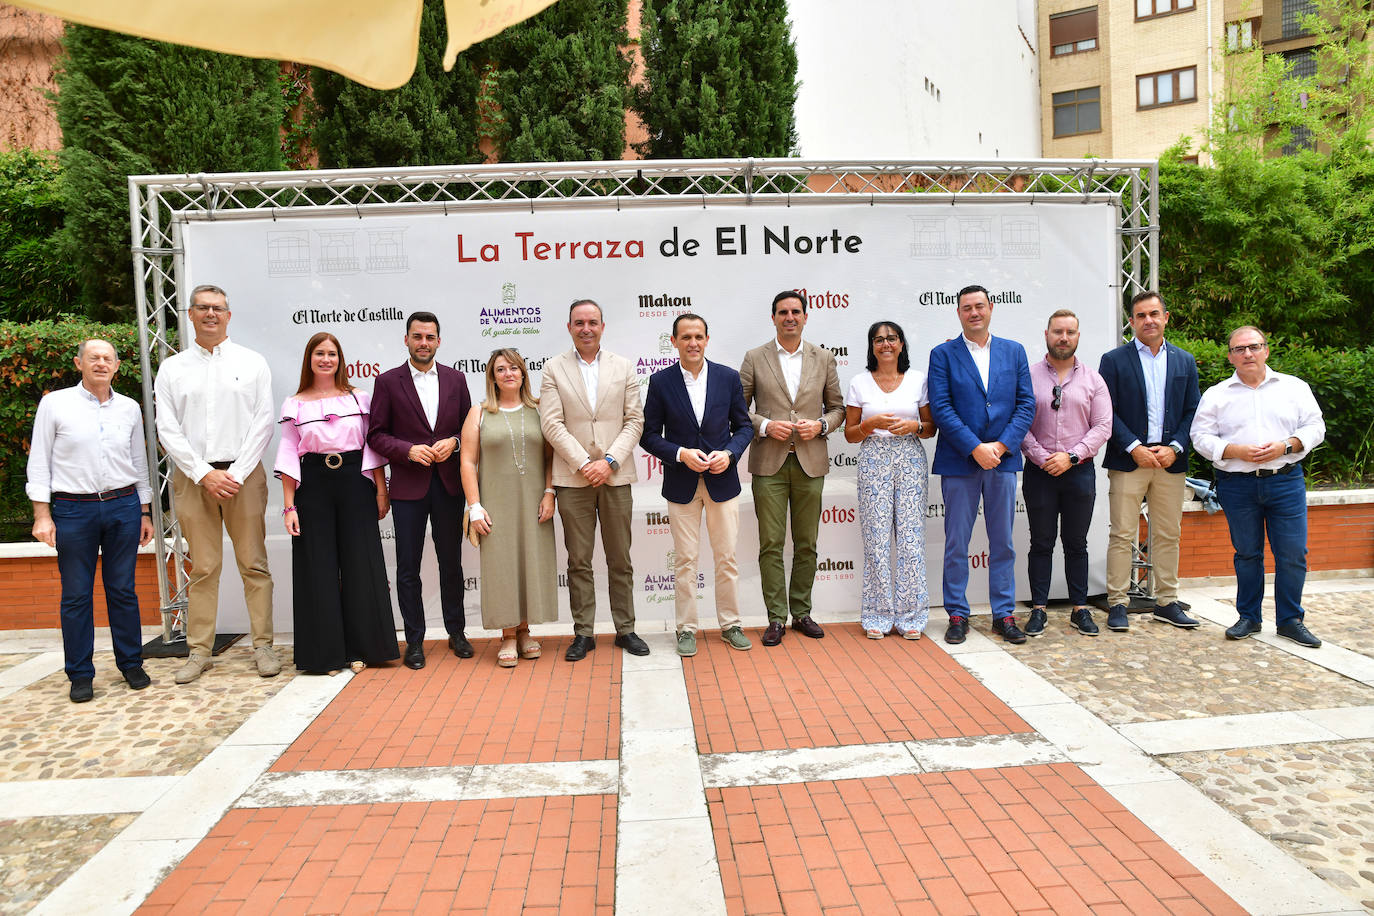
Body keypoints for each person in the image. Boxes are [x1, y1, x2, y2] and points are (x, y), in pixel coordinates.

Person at [155, 284, 279, 684]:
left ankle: (263, 646)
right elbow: (166, 428)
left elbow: (264, 420)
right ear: (189, 315)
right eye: (203, 308)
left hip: (243, 475)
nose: (211, 314)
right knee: (204, 568)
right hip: (194, 479)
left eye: (218, 308)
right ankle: (199, 651)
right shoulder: (173, 368)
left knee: (254, 564)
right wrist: (204, 473)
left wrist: (236, 473)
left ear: (229, 315)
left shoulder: (253, 362)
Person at [27, 339, 155, 703]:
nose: (101, 363)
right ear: (78, 363)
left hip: (123, 507)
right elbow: (39, 461)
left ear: (117, 366)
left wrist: (144, 511)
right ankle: (80, 674)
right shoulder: (55, 404)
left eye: (108, 359)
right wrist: (42, 514)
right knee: (76, 595)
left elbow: (139, 461)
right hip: (73, 510)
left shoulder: (129, 408)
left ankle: (131, 663)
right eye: (93, 358)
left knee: (122, 590)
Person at [1192, 327, 1326, 647]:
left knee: (1293, 554)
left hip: (1285, 480)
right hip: (1237, 485)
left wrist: (1288, 446)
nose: (1248, 354)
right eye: (1240, 350)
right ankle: (1249, 617)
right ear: (1230, 357)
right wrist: (1234, 451)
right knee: (1247, 554)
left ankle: (1290, 620)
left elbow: (1315, 426)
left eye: (1254, 347)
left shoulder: (1294, 387)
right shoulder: (1217, 394)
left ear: (1266, 350)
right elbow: (1200, 437)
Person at [275, 332, 400, 674]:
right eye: (319, 353)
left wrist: (381, 490)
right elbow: (288, 454)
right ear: (309, 359)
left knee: (362, 564)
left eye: (332, 353)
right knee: (317, 568)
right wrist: (289, 507)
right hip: (312, 485)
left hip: (355, 482)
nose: (326, 359)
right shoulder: (295, 403)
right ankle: (325, 656)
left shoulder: (359, 398)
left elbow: (371, 447)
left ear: (340, 359)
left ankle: (365, 649)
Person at [539, 299, 648, 660]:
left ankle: (626, 629)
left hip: (616, 477)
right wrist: (586, 462)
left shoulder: (624, 367)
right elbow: (551, 423)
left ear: (603, 326)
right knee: (579, 561)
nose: (586, 328)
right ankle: (583, 633)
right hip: (573, 478)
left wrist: (610, 461)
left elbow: (635, 420)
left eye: (593, 322)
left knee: (620, 559)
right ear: (569, 327)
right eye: (579, 322)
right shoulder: (553, 368)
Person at [641, 314, 755, 657]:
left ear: (707, 340)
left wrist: (730, 454)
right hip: (682, 483)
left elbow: (745, 427)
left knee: (727, 558)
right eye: (686, 337)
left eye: (699, 336)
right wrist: (678, 453)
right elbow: (648, 435)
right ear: (674, 341)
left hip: (723, 481)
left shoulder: (728, 378)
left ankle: (731, 624)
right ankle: (686, 628)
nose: (693, 342)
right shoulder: (660, 382)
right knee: (686, 560)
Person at [927, 284, 1036, 645]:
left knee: (1002, 541)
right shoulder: (942, 354)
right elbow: (941, 408)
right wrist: (975, 448)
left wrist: (1002, 446)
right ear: (958, 313)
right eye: (966, 308)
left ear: (991, 309)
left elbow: (1026, 405)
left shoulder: (1014, 351)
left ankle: (1003, 614)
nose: (973, 312)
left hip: (1002, 464)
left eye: (979, 306)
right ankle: (957, 613)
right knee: (957, 541)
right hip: (960, 462)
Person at [739, 290, 846, 647]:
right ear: (773, 318)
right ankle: (775, 618)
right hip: (768, 462)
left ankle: (801, 612)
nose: (789, 317)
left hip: (810, 461)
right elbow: (737, 411)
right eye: (782, 312)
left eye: (795, 312)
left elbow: (838, 409)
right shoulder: (755, 357)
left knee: (807, 543)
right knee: (770, 543)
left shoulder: (824, 358)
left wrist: (822, 426)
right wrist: (766, 426)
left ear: (805, 316)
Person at [367, 312, 473, 669]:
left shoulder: (457, 380)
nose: (423, 342)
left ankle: (456, 633)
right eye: (417, 336)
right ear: (407, 339)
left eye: (430, 337)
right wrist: (407, 450)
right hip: (408, 488)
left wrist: (455, 444)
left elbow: (469, 430)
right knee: (407, 567)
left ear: (439, 341)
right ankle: (414, 640)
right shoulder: (387, 382)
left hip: (448, 486)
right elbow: (376, 435)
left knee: (451, 564)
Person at [1099, 291, 1201, 631]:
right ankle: (1118, 602)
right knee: (1122, 533)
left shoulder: (1185, 360)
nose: (1148, 320)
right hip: (1130, 459)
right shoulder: (1113, 360)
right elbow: (1105, 411)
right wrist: (1132, 446)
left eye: (1154, 314)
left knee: (1169, 533)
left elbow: (1192, 411)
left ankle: (1167, 601)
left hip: (1169, 461)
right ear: (1131, 322)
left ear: (1166, 317)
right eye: (1141, 315)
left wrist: (1175, 446)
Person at [459, 349, 559, 667]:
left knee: (531, 562)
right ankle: (507, 635)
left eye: (514, 368)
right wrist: (474, 506)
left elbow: (550, 457)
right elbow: (468, 461)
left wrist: (549, 492)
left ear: (524, 373)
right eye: (501, 369)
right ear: (492, 376)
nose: (508, 374)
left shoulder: (540, 410)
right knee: (502, 567)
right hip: (495, 502)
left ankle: (526, 631)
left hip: (533, 501)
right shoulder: (480, 412)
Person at [1020, 309, 1112, 637]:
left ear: (1077, 336)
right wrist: (1043, 457)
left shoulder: (1093, 380)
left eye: (1070, 332)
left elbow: (1103, 426)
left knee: (1077, 543)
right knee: (1041, 542)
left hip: (1079, 473)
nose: (1064, 337)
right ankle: (1039, 609)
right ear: (1046, 334)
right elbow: (1020, 423)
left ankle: (1079, 608)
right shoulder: (1027, 376)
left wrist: (1071, 457)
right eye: (1058, 331)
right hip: (1039, 472)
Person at [843, 320, 936, 640]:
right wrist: (871, 425)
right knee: (876, 540)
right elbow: (851, 434)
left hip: (909, 458)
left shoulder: (917, 380)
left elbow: (930, 426)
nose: (885, 344)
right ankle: (877, 614)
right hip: (873, 459)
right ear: (871, 346)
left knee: (911, 540)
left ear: (901, 344)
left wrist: (915, 428)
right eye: (879, 339)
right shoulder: (859, 382)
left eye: (892, 338)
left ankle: (912, 615)